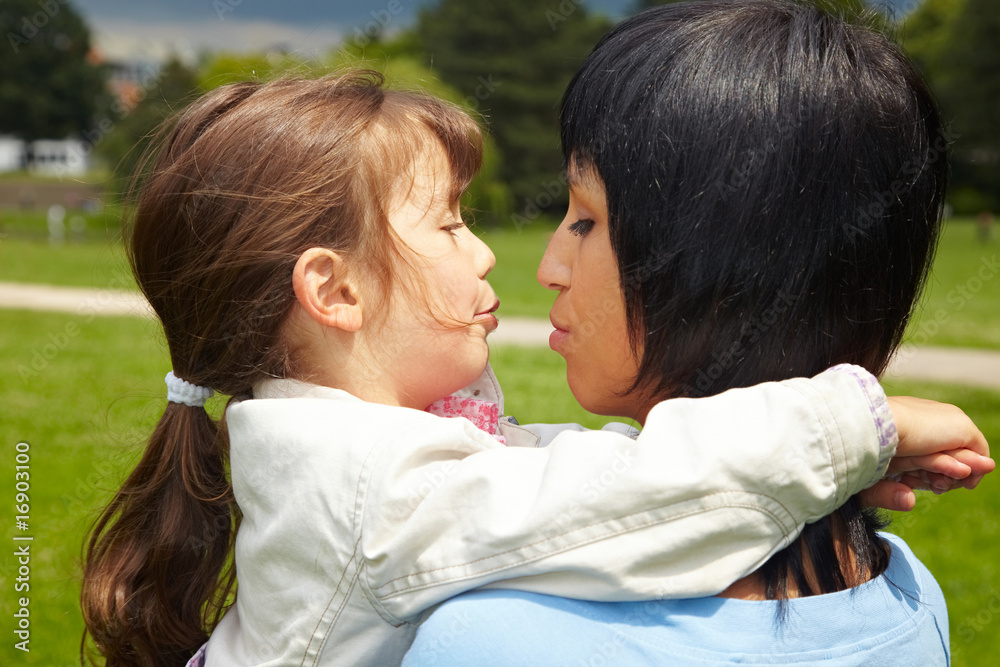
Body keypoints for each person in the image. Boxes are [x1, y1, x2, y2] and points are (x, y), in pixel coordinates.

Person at [79, 71, 986, 667]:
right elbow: (628, 498)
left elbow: (577, 470)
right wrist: (849, 426)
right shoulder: (367, 488)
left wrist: (812, 484)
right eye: (449, 223)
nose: (491, 254)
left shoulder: (356, 451)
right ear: (335, 289)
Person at [403, 1, 994, 665]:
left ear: (723, 268)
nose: (548, 269)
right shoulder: (911, 592)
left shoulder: (492, 637)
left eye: (586, 220)